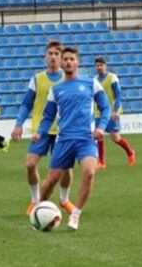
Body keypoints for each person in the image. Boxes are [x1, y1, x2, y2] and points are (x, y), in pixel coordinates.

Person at [34, 46, 110, 230]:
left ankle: (75, 215)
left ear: (78, 62)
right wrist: (40, 132)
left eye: (71, 59)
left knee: (89, 173)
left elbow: (106, 107)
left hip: (86, 139)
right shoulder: (56, 89)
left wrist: (101, 127)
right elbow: (48, 116)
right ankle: (37, 211)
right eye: (65, 59)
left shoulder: (91, 84)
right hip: (64, 140)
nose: (68, 62)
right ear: (61, 63)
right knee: (51, 180)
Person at [11, 41, 75, 216]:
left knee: (67, 169)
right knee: (30, 164)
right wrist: (18, 124)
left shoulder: (68, 79)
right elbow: (26, 104)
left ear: (61, 58)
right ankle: (34, 200)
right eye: (50, 54)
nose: (53, 57)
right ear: (45, 57)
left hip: (63, 131)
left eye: (56, 54)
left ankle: (64, 200)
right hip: (40, 130)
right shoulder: (37, 79)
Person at [93, 57, 136, 169]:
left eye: (101, 65)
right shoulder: (94, 80)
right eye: (97, 65)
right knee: (99, 136)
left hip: (111, 112)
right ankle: (101, 162)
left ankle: (130, 152)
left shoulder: (112, 77)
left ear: (105, 66)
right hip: (98, 113)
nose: (99, 67)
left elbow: (118, 94)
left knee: (115, 138)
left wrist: (116, 110)